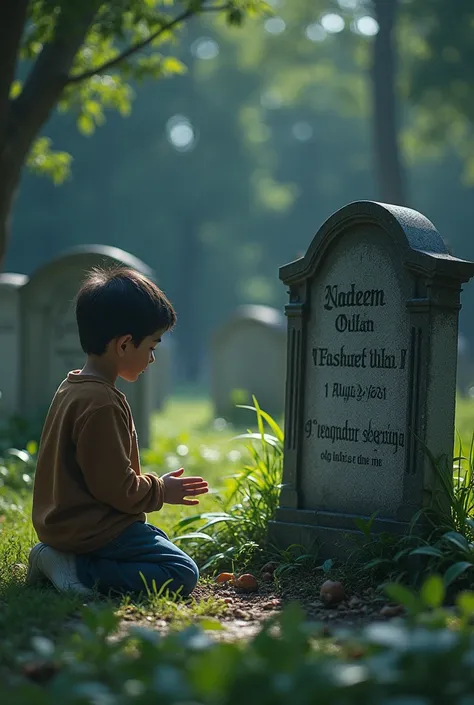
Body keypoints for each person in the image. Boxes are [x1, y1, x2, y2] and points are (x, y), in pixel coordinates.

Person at [26, 266, 208, 598]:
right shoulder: (101, 404)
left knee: (157, 541)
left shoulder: (74, 386)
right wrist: (161, 490)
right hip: (89, 531)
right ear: (124, 344)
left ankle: (65, 558)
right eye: (151, 346)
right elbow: (117, 489)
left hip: (72, 524)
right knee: (181, 572)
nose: (152, 358)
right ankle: (74, 567)